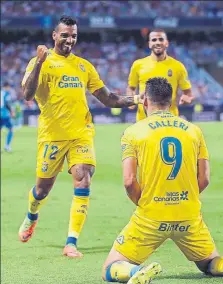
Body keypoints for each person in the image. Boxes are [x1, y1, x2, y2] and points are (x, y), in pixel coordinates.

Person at [102, 77, 223, 284]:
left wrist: (145, 202)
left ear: (145, 101)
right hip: (188, 215)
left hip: (151, 215)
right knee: (209, 262)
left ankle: (136, 272)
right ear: (171, 101)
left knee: (110, 267)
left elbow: (129, 182)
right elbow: (205, 178)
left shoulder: (133, 132)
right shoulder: (193, 131)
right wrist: (187, 198)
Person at [18, 15, 142, 258]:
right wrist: (40, 63)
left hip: (81, 134)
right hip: (52, 137)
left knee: (83, 177)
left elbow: (108, 99)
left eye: (73, 35)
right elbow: (27, 94)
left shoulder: (84, 66)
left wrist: (137, 99)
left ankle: (71, 242)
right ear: (54, 35)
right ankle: (32, 214)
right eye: (65, 35)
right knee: (42, 190)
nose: (69, 39)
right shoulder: (39, 61)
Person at [127, 28, 194, 122]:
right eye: (154, 40)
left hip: (170, 121)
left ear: (166, 43)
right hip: (144, 121)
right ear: (149, 44)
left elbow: (188, 93)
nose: (157, 42)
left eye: (161, 39)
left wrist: (187, 99)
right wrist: (132, 100)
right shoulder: (138, 65)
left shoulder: (178, 66)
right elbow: (131, 88)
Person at [1, 82, 15, 152]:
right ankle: (7, 146)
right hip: (4, 114)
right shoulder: (6, 93)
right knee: (11, 129)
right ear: (6, 86)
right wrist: (11, 112)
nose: (9, 88)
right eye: (9, 87)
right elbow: (7, 104)